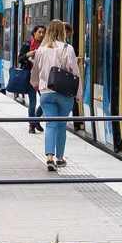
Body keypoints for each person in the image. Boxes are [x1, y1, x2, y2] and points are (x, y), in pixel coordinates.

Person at [33, 20, 80, 171]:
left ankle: (49, 157)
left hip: (46, 92)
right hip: (64, 93)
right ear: (61, 31)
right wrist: (78, 94)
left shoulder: (41, 49)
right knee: (61, 126)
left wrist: (36, 84)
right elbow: (75, 72)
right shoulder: (68, 48)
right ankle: (60, 158)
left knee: (50, 125)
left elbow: (35, 72)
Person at [17, 25, 46, 134]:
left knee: (45, 101)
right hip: (30, 77)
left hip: (42, 77)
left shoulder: (46, 46)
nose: (41, 35)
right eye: (39, 32)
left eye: (43, 33)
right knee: (33, 102)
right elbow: (20, 59)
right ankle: (31, 125)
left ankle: (35, 120)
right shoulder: (27, 44)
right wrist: (28, 54)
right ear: (34, 33)